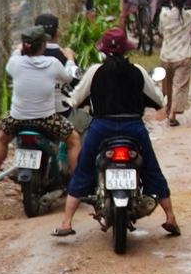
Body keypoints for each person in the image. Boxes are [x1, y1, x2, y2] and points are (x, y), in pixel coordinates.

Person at [53, 28, 181, 239]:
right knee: (151, 168)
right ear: (126, 50)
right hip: (133, 127)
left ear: (104, 51)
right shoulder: (138, 71)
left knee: (84, 169)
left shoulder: (95, 72)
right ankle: (170, 217)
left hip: (101, 128)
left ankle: (66, 222)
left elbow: (75, 100)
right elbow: (158, 101)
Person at [0, 29, 79, 189]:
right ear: (43, 45)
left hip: (17, 118)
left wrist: (19, 49)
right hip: (46, 119)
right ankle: (76, 179)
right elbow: (69, 78)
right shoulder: (53, 64)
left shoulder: (14, 63)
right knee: (74, 140)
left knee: (2, 139)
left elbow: (15, 54)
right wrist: (70, 59)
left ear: (25, 45)